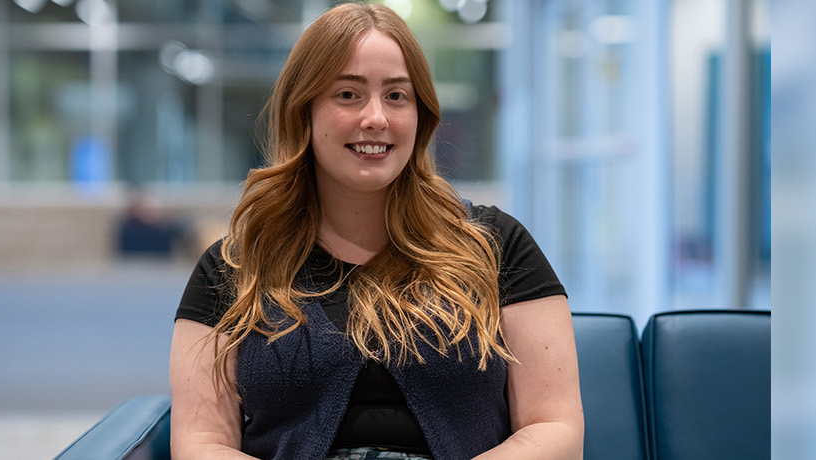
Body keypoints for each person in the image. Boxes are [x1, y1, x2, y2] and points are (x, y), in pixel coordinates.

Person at [168, 3, 582, 459]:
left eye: (397, 96)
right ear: (303, 109)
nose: (376, 118)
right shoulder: (234, 267)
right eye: (348, 94)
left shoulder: (496, 245)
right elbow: (200, 443)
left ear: (420, 113)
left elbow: (555, 427)